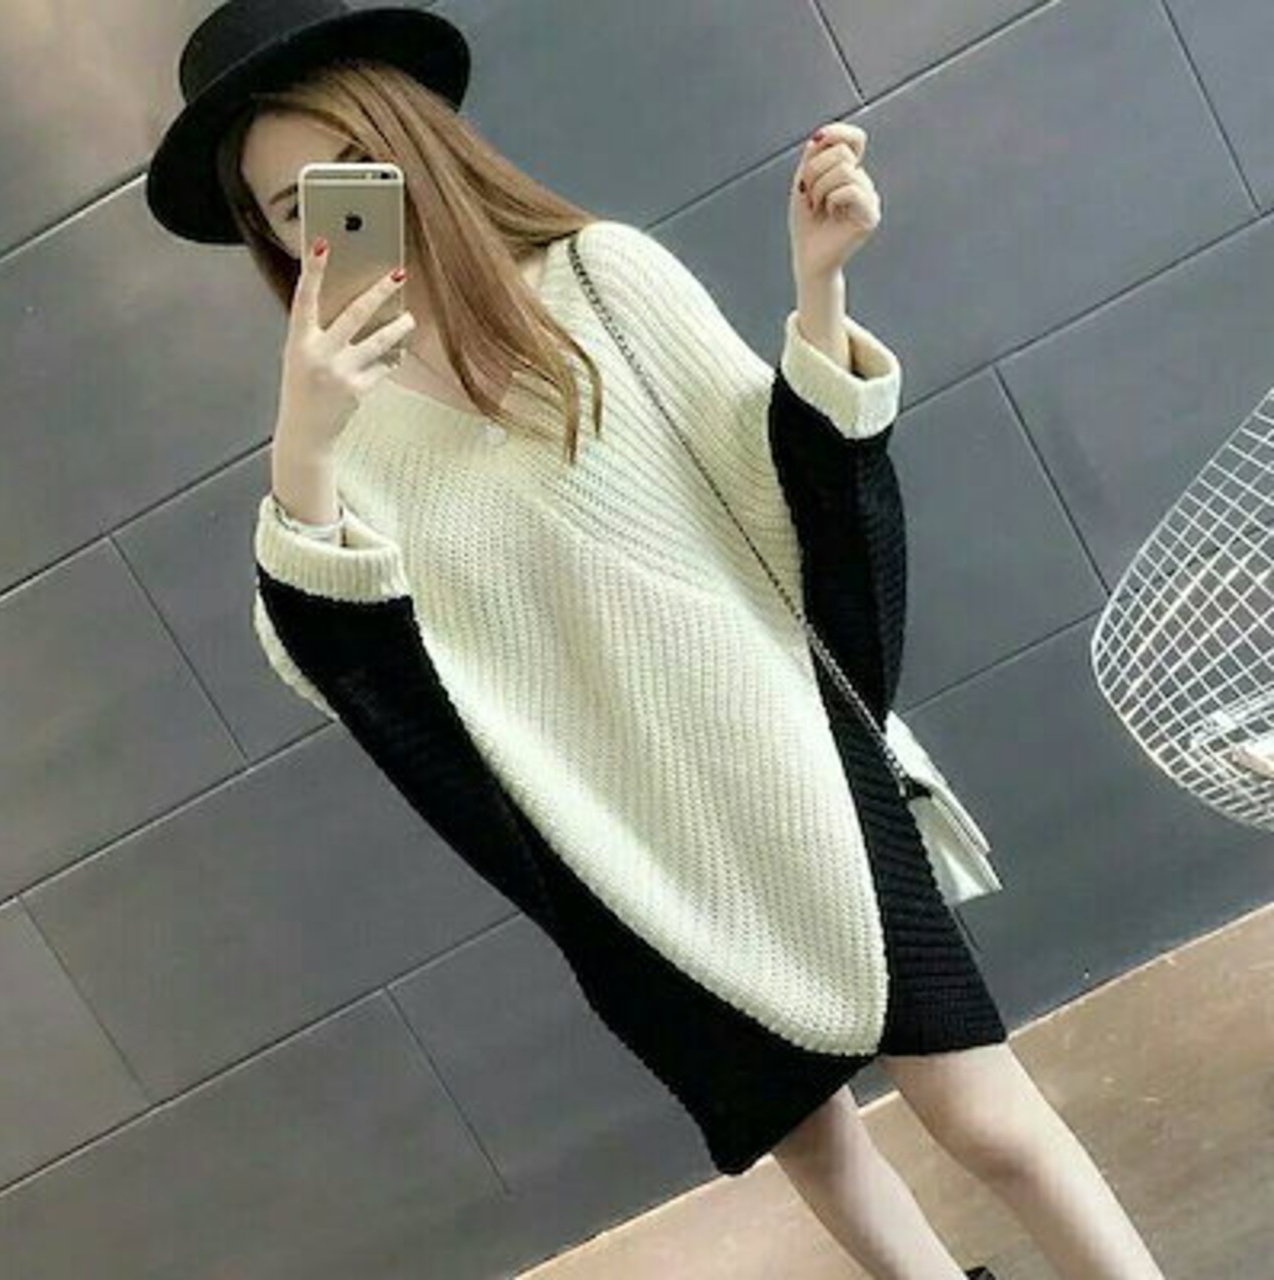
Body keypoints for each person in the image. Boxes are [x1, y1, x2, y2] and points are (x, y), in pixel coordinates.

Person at [146, 3, 1169, 1277]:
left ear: (414, 144)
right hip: (622, 850)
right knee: (816, 1145)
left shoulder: (600, 279)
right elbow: (333, 661)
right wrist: (302, 449)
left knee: (984, 1113)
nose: (330, 219)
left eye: (349, 172)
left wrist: (817, 288)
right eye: (291, 208)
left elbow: (781, 491)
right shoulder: (338, 435)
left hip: (790, 763)